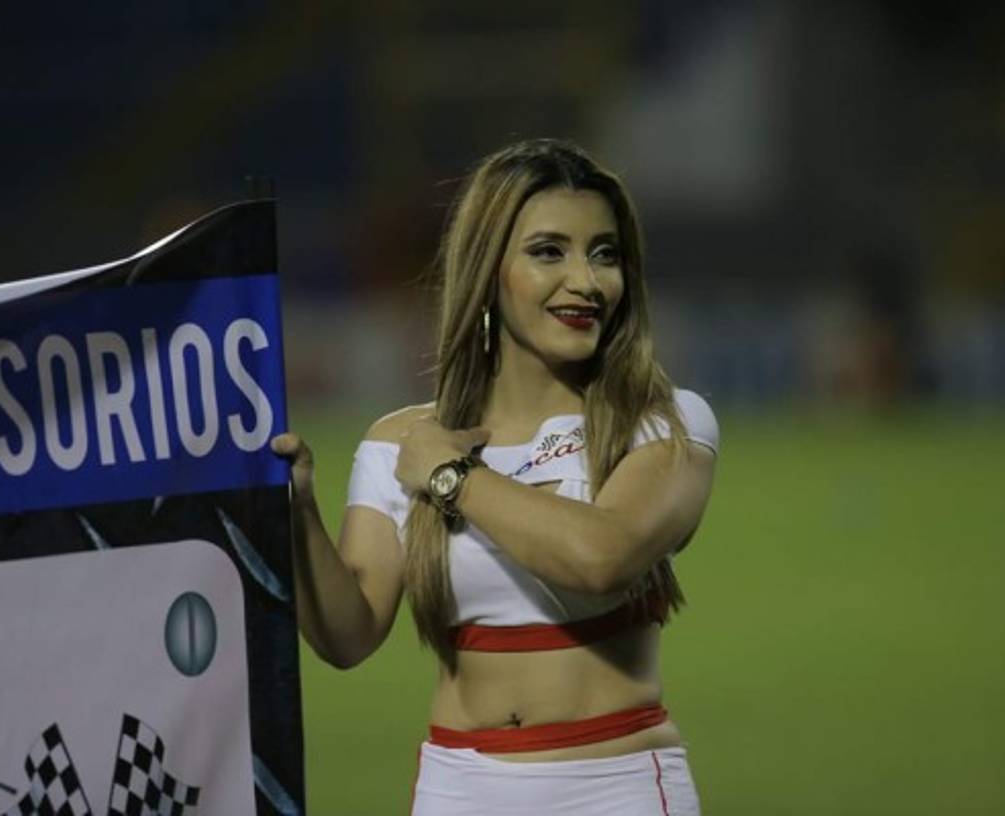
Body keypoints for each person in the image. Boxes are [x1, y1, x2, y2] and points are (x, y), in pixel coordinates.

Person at [272, 138, 718, 815]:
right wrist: (295, 514)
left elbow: (601, 557)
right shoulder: (398, 442)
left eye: (604, 253)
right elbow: (347, 636)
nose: (586, 280)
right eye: (549, 251)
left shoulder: (665, 423)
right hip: (458, 786)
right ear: (487, 269)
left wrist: (451, 475)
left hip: (616, 785)